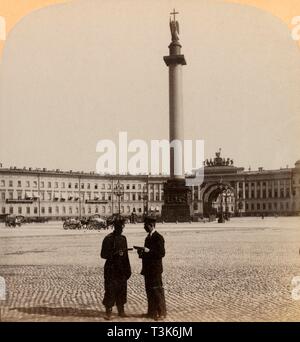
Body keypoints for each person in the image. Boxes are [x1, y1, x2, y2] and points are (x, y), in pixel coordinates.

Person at [100, 217, 131, 320]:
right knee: (110, 290)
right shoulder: (108, 239)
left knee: (122, 290)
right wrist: (114, 254)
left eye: (122, 227)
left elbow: (126, 256)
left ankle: (121, 311)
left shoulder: (123, 239)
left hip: (121, 269)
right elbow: (103, 254)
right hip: (111, 269)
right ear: (115, 227)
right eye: (120, 227)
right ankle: (108, 312)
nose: (121, 229)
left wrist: (128, 269)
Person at [137, 216, 167, 320]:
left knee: (157, 290)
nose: (144, 227)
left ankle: (162, 312)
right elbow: (148, 253)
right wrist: (141, 253)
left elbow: (161, 253)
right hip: (148, 269)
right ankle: (152, 312)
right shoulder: (148, 237)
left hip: (155, 269)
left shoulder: (158, 237)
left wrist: (148, 251)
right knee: (149, 291)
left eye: (145, 225)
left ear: (151, 225)